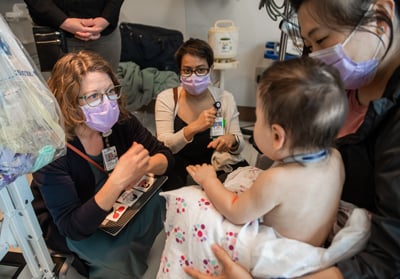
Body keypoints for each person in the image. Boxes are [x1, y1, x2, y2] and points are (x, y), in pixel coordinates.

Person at [186, 0, 400, 278]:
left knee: (188, 205)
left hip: (293, 262)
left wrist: (210, 181)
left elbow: (387, 261)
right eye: (309, 45)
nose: (316, 56)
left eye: (322, 39)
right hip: (317, 244)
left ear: (379, 19)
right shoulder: (326, 92)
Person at [158, 57, 370, 279]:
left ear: (277, 136)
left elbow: (236, 211)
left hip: (278, 261)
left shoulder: (277, 179)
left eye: (258, 119)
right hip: (313, 250)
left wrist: (209, 180)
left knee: (191, 201)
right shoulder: (335, 158)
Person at [30, 50, 174, 279]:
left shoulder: (121, 121)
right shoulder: (52, 151)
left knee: (163, 206)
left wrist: (142, 167)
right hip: (75, 223)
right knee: (120, 262)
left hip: (115, 203)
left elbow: (165, 157)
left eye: (110, 92)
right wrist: (117, 180)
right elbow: (72, 226)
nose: (107, 103)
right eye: (94, 96)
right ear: (68, 102)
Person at [155, 38, 248, 190]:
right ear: (179, 71)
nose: (194, 76)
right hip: (178, 161)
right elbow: (164, 145)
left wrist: (231, 141)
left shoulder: (225, 98)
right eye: (187, 70)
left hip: (214, 161)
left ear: (210, 70)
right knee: (165, 192)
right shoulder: (167, 98)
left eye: (200, 69)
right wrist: (194, 127)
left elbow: (239, 143)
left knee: (238, 187)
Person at [24, 0, 123, 71]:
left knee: (107, 89)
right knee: (59, 94)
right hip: (56, 35)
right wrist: (64, 22)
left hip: (105, 34)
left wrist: (106, 18)